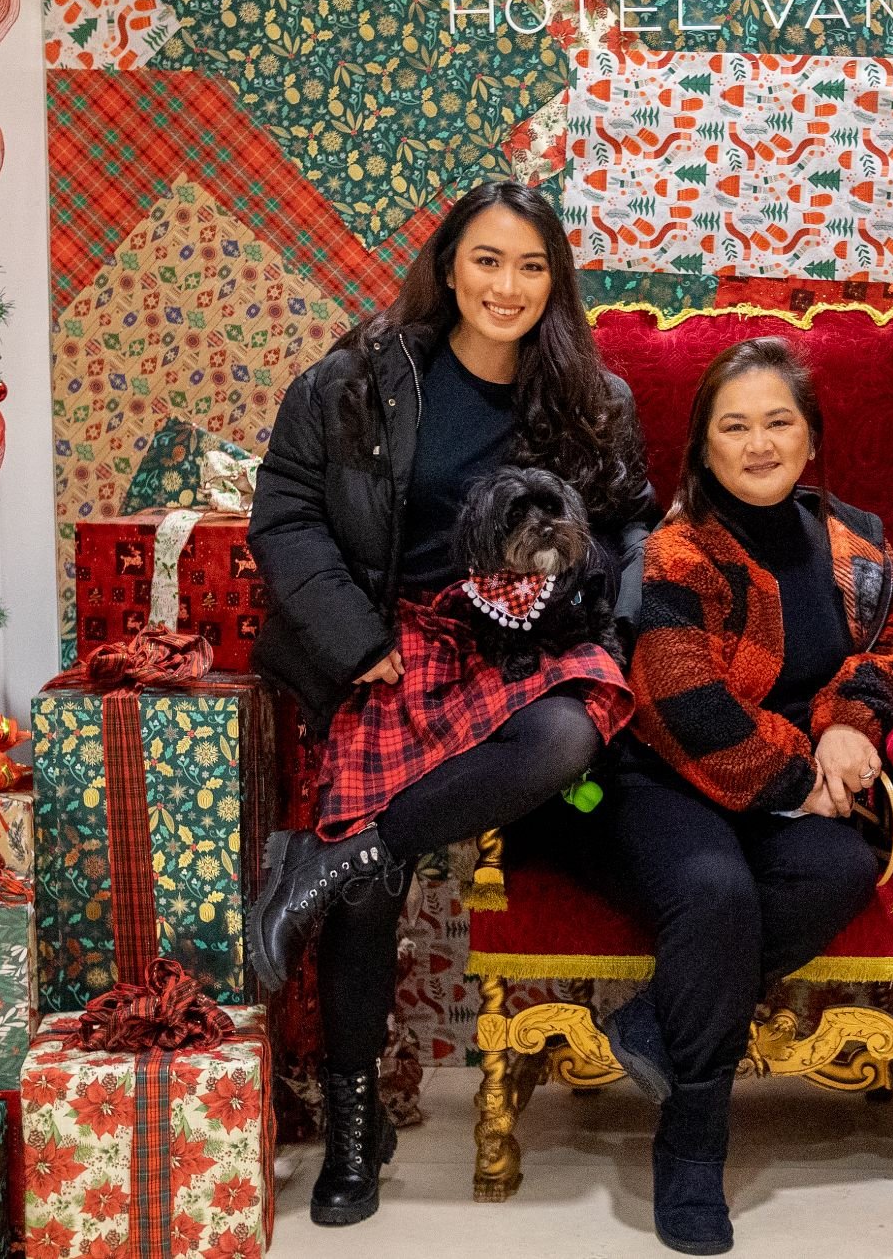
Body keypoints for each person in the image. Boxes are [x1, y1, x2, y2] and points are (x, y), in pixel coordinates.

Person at [243, 181, 655, 1227]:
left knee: (569, 728)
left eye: (530, 266)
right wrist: (357, 641)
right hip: (396, 642)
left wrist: (599, 608)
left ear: (555, 281)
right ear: (448, 265)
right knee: (373, 888)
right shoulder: (356, 382)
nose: (506, 286)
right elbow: (285, 514)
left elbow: (632, 528)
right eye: (486, 260)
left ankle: (328, 858)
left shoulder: (592, 396)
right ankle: (354, 1126)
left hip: (527, 639)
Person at [579, 338, 893, 1254]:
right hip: (667, 778)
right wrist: (807, 777)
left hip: (789, 787)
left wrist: (851, 723)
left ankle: (657, 1017)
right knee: (715, 894)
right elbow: (683, 706)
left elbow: (890, 650)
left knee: (841, 869)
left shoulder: (859, 539)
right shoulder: (679, 549)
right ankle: (692, 1145)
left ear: (810, 437)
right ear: (704, 445)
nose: (759, 444)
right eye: (735, 426)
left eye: (778, 422)